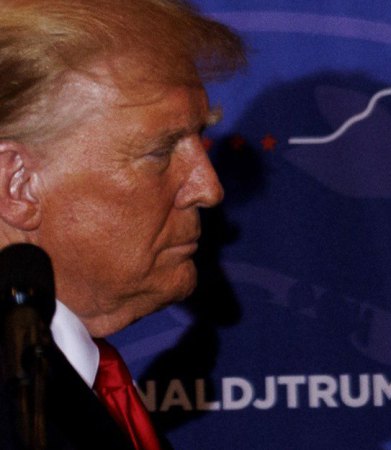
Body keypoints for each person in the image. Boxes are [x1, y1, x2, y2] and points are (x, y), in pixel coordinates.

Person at [0, 0, 247, 448]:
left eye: (200, 139)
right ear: (17, 184)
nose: (208, 188)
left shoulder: (76, 384)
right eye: (160, 151)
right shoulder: (19, 409)